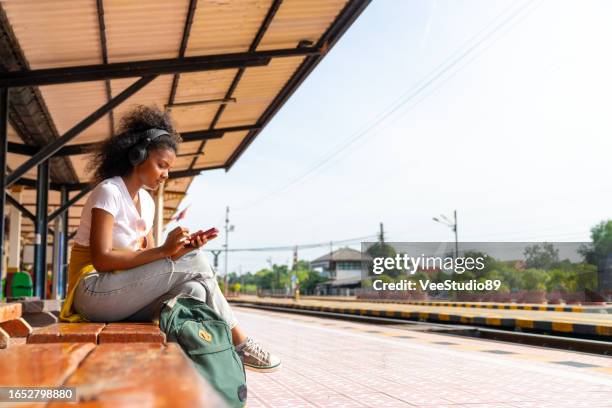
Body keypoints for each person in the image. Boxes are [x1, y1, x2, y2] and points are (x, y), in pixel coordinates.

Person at [59, 105, 280, 373]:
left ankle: (194, 367)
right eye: (161, 165)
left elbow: (150, 265)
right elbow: (102, 259)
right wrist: (168, 251)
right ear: (138, 155)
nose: (166, 174)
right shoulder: (109, 192)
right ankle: (240, 343)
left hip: (120, 297)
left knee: (196, 290)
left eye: (168, 168)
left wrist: (178, 250)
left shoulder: (148, 204)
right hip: (91, 293)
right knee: (195, 262)